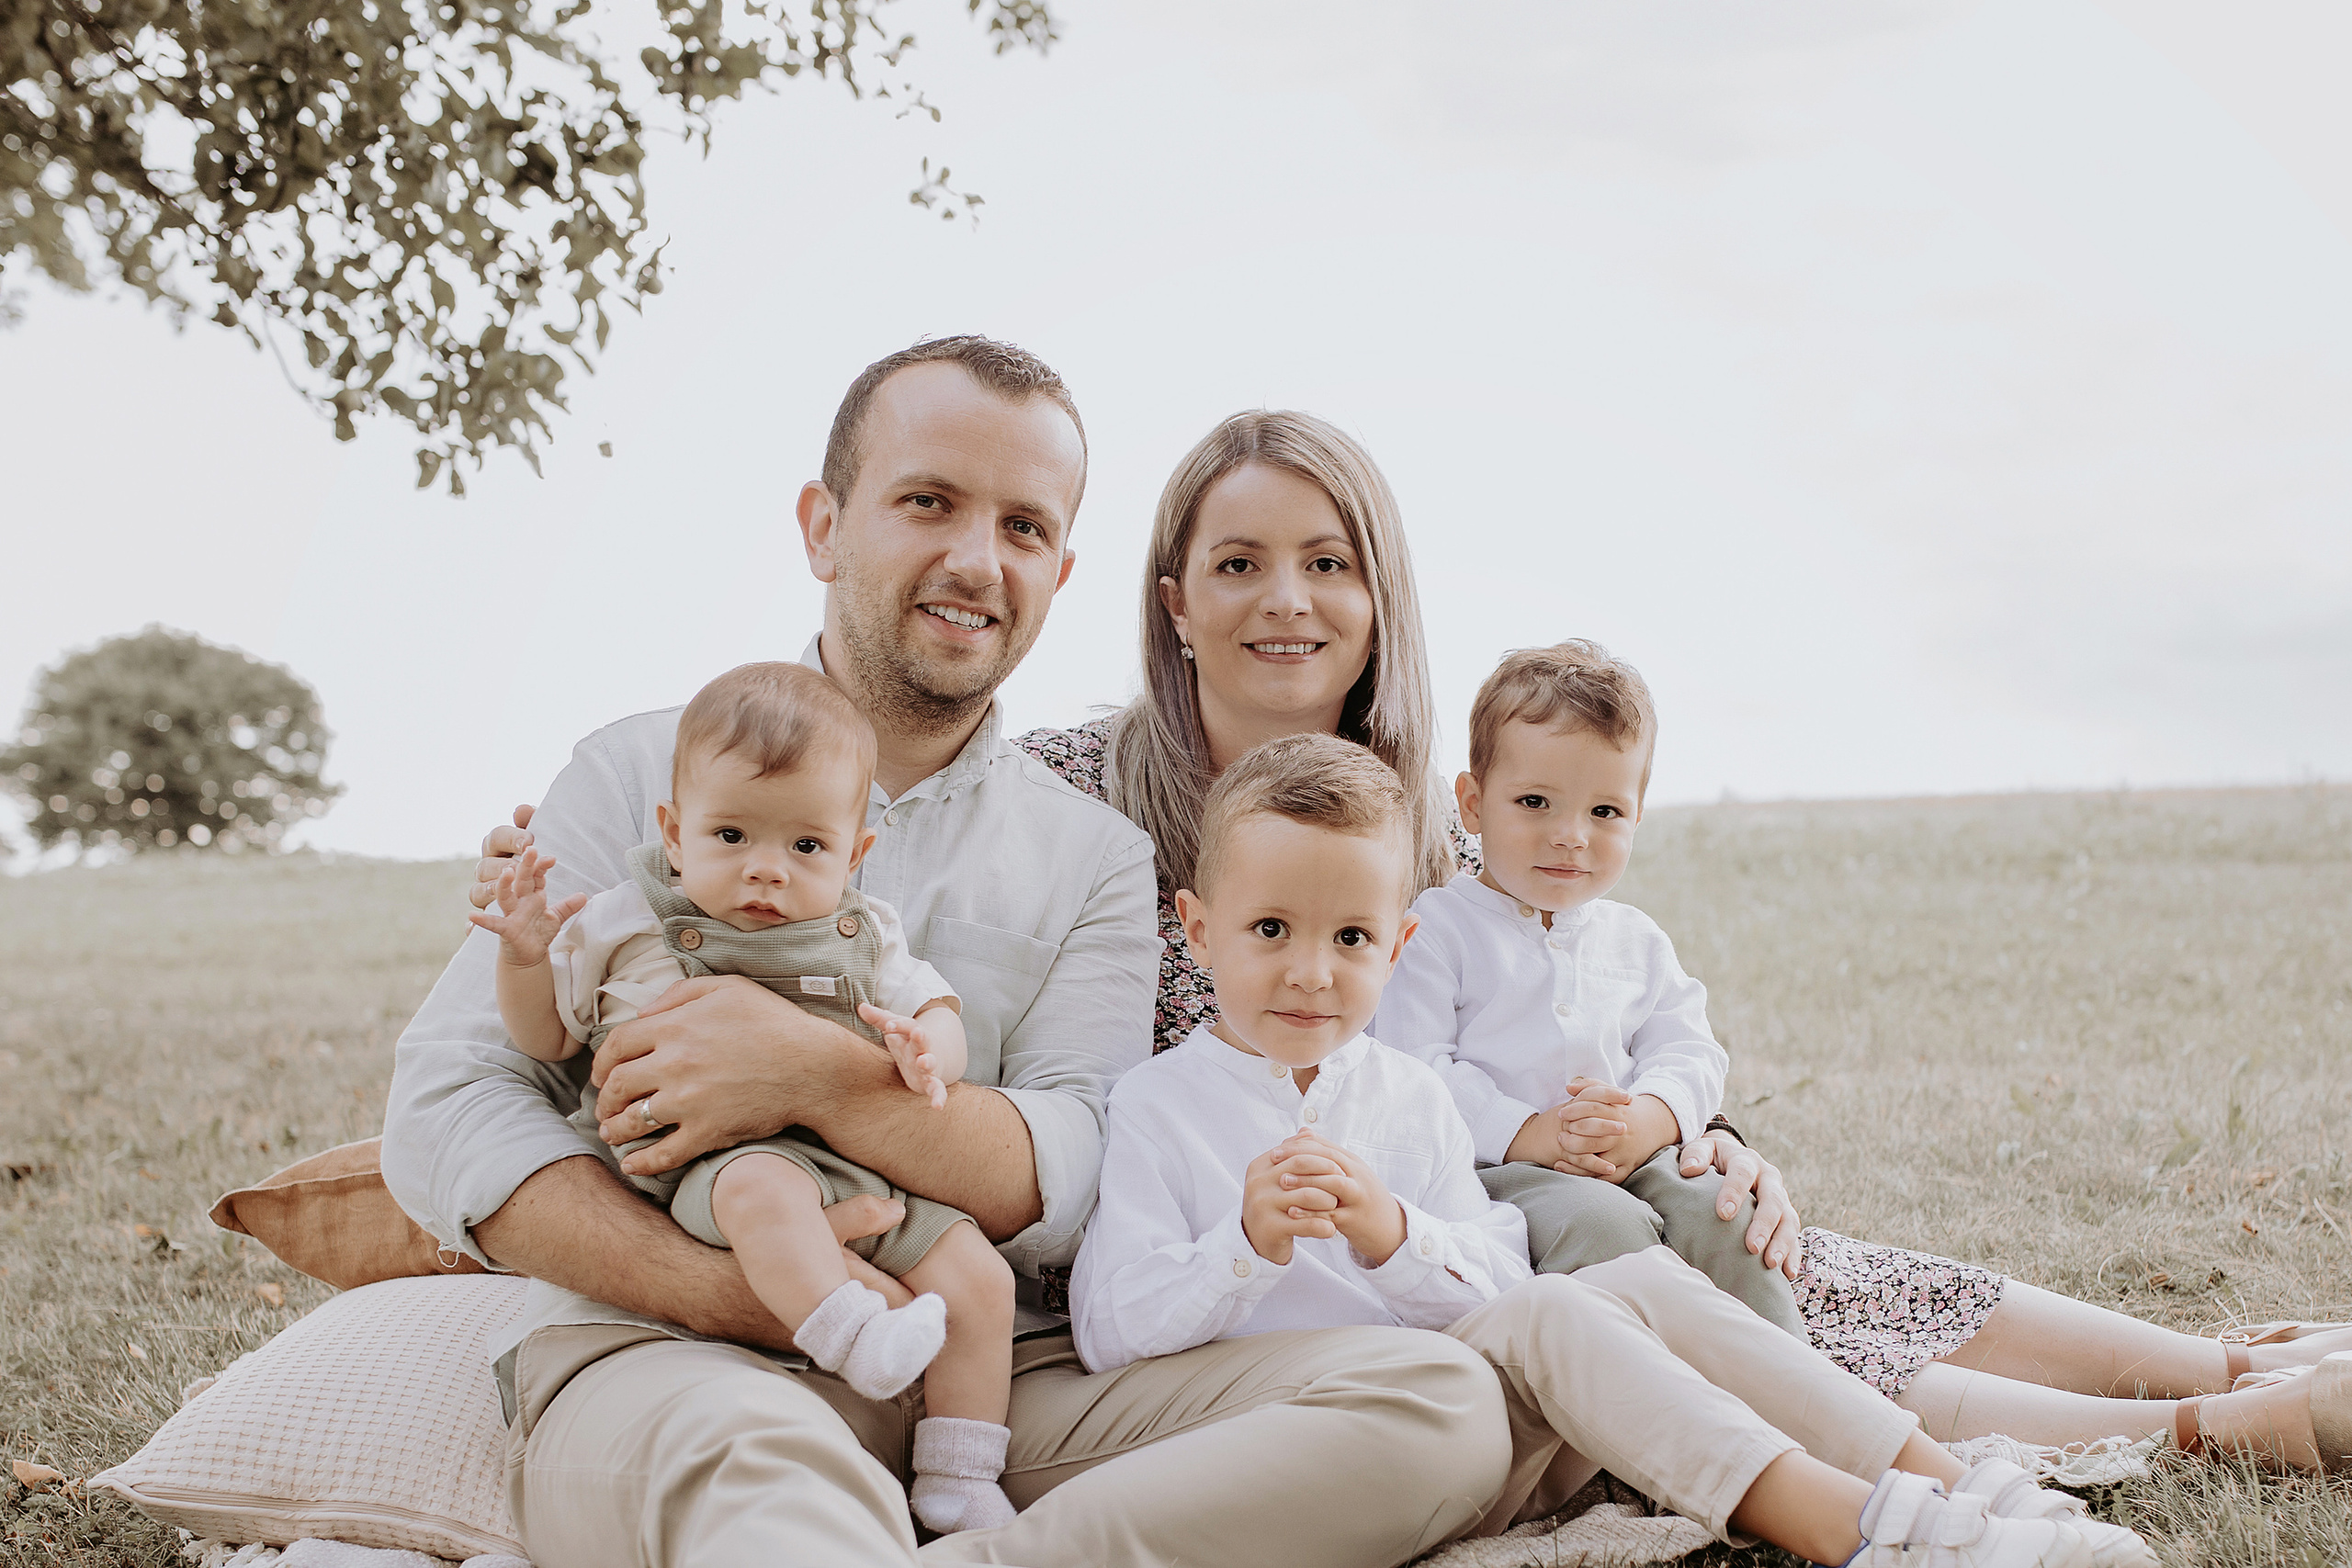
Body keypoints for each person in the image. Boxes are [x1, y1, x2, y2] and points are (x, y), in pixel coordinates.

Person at [1016, 406, 2352, 1472]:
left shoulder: (1421, 818)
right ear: (1175, 598)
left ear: (1380, 597)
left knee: (1775, 1242)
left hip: (1457, 1204)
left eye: (1328, 561)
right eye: (1241, 563)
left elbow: (1569, 1011)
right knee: (1700, 1287)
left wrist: (1699, 1129)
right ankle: (2193, 1423)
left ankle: (2231, 1364)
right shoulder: (1072, 788)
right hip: (1302, 1257)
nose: (1286, 599)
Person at [406, 337, 1516, 1568]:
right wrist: (738, 1285)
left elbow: (1077, 1168)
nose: (977, 561)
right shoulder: (636, 776)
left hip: (991, 1374)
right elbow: (452, 1100)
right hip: (681, 1350)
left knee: (1437, 1402)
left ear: (1062, 570)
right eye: (928, 501)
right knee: (781, 1504)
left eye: (1025, 528)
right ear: (823, 524)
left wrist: (819, 1076)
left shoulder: (1089, 849)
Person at [1073, 732, 2151, 1568]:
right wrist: (1240, 1248)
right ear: (1200, 930)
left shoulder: (1404, 1096)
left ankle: (1956, 1482)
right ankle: (1873, 1531)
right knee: (1556, 1305)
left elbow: (1491, 1272)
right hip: (1334, 1437)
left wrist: (1392, 1234)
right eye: (1271, 931)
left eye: (1351, 938)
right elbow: (1108, 1331)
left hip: (1489, 1424)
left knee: (1625, 1278)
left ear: (1397, 947)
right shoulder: (1160, 1105)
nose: (1313, 971)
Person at [469, 660, 1018, 1532]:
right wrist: (525, 955)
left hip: (863, 1163)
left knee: (981, 1283)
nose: (768, 873)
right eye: (732, 836)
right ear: (674, 832)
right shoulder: (623, 920)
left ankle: (959, 1476)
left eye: (806, 847)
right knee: (770, 1195)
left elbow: (934, 1007)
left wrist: (930, 1053)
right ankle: (852, 1335)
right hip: (707, 1167)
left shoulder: (866, 930)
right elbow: (546, 1039)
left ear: (855, 852)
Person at [1372, 639, 1805, 1339]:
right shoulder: (1437, 930)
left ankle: (1795, 1393)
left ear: (1638, 813)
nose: (1570, 835)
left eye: (1605, 811)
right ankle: (1632, 1423)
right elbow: (1412, 1070)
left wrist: (1653, 1118)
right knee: (1607, 1229)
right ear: (1474, 803)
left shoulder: (1635, 939)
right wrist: (1530, 1132)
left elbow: (1691, 1049)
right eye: (1536, 801)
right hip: (1498, 1177)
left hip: (1638, 1157)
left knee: (1728, 1217)